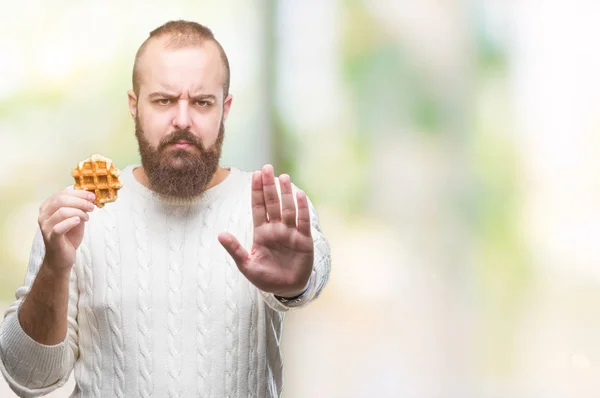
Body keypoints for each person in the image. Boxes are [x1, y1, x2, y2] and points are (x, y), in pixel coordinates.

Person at [0, 20, 331, 398]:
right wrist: (55, 269)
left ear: (225, 108)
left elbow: (314, 264)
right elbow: (28, 378)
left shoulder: (267, 204)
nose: (183, 120)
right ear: (133, 105)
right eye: (163, 100)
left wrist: (296, 282)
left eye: (202, 102)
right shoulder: (76, 217)